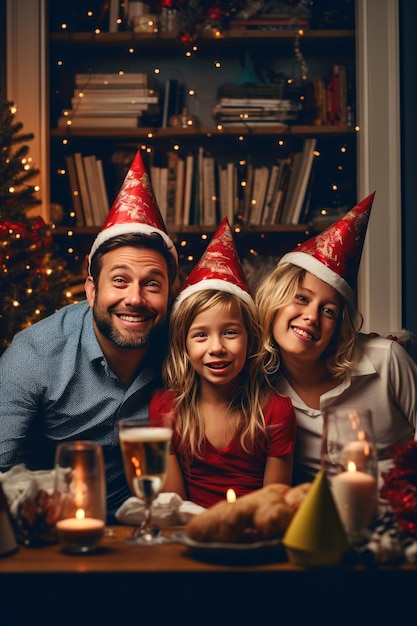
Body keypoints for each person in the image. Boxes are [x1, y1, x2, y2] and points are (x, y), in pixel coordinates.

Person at [0, 150, 178, 523]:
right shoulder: (35, 354)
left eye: (152, 284)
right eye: (120, 281)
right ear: (91, 290)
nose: (135, 298)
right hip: (59, 539)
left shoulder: (188, 346)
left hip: (154, 538)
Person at [255, 192, 417, 486]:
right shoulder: (260, 384)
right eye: (301, 298)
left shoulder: (387, 360)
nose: (311, 317)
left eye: (328, 310)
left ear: (339, 326)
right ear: (273, 302)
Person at [149, 217, 296, 508]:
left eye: (230, 332)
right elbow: (173, 507)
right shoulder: (165, 409)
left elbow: (274, 506)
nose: (217, 348)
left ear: (250, 339)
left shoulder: (276, 412)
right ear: (183, 346)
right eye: (201, 335)